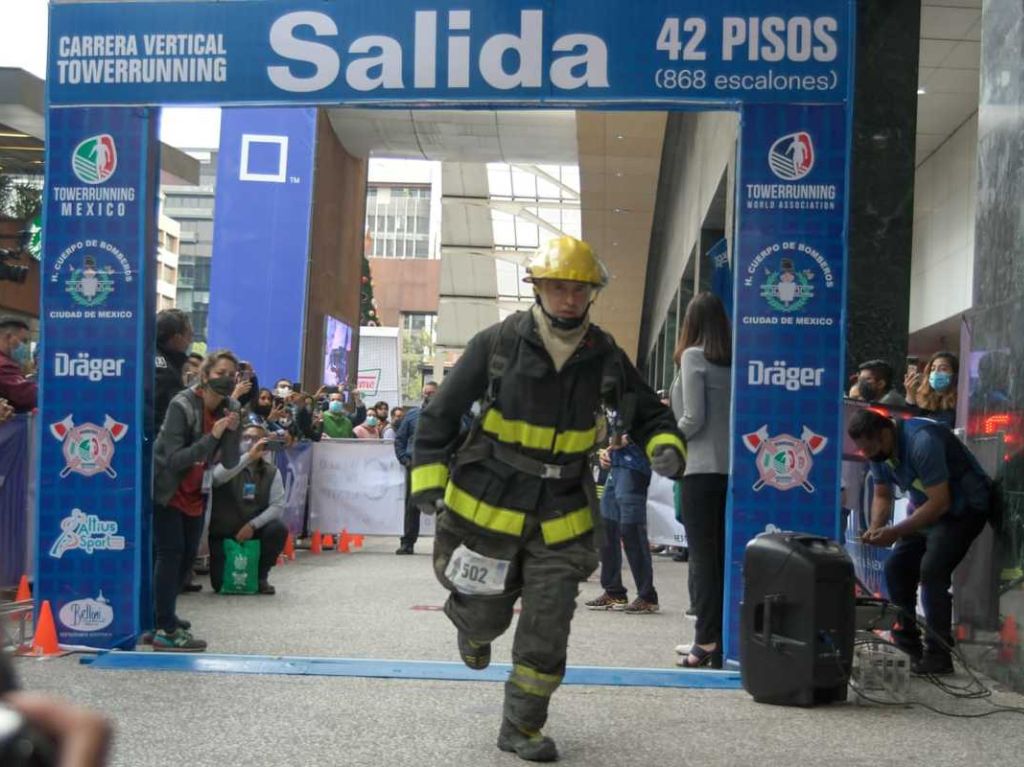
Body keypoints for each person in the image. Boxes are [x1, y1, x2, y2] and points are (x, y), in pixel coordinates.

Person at [410, 236, 684, 762]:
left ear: (591, 294)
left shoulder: (603, 355)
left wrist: (665, 446)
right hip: (488, 505)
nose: (569, 300)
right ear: (537, 288)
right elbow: (440, 416)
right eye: (558, 288)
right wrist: (426, 480)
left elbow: (649, 412)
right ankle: (471, 622)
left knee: (549, 620)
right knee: (488, 616)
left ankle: (521, 726)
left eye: (579, 290)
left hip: (561, 512)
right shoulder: (495, 344)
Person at [848, 408, 994, 675]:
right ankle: (907, 647)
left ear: (885, 432)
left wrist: (895, 532)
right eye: (863, 451)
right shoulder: (878, 450)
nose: (868, 455)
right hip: (927, 510)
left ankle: (939, 655)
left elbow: (941, 502)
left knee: (932, 571)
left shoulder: (922, 441)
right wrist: (876, 528)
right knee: (896, 568)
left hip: (963, 509)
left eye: (870, 448)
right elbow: (882, 494)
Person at [152, 350, 242, 651]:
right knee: (170, 553)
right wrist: (211, 436)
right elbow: (174, 459)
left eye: (232, 374)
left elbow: (229, 461)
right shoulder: (183, 404)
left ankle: (166, 616)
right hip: (169, 488)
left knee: (188, 558)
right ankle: (163, 627)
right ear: (205, 375)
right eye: (220, 373)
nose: (226, 379)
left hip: (196, 491)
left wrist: (232, 430)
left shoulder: (230, 405)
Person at [670, 292, 732, 669]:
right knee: (721, 559)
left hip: (700, 470)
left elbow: (693, 418)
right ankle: (719, 636)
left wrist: (663, 439)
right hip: (731, 472)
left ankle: (705, 640)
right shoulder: (734, 361)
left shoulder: (694, 357)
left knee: (703, 561)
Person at [585, 430, 659, 613]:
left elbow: (659, 418)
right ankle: (614, 591)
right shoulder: (616, 403)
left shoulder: (641, 401)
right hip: (617, 466)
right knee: (605, 526)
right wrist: (607, 452)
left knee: (631, 530)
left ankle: (647, 596)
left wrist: (628, 439)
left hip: (635, 467)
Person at [209, 423, 288, 595]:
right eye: (246, 438)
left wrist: (253, 525)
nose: (250, 442)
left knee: (277, 528)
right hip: (224, 531)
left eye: (256, 439)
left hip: (254, 530)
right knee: (220, 584)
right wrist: (247, 457)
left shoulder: (272, 471)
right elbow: (216, 479)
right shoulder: (228, 463)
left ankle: (261, 577)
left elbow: (278, 505)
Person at [393, 381, 439, 555]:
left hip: (439, 465)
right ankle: (408, 543)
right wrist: (404, 459)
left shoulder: (449, 414)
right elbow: (400, 439)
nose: (428, 395)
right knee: (412, 505)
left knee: (443, 506)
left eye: (432, 392)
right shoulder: (412, 415)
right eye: (426, 392)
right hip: (415, 465)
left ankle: (443, 545)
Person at [154, 309, 193, 432]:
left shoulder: (145, 356)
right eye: (189, 336)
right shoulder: (165, 372)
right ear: (176, 338)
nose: (190, 342)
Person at [905, 351, 959, 427]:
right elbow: (913, 425)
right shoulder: (924, 400)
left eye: (943, 369)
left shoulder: (959, 405)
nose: (936, 372)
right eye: (933, 369)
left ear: (954, 374)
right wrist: (910, 394)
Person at [0, 316, 37, 412]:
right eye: (23, 341)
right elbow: (29, 395)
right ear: (8, 337)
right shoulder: (4, 366)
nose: (25, 346)